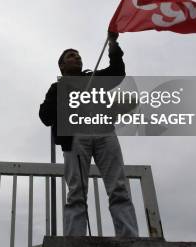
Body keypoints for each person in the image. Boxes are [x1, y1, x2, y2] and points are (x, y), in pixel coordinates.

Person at [39, 31, 139, 237]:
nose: (76, 57)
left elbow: (117, 71)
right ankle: (75, 239)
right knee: (76, 192)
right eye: (70, 56)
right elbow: (45, 115)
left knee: (118, 187)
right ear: (62, 66)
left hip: (105, 134)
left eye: (78, 55)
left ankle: (129, 238)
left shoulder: (94, 77)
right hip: (75, 138)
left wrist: (113, 44)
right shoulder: (57, 88)